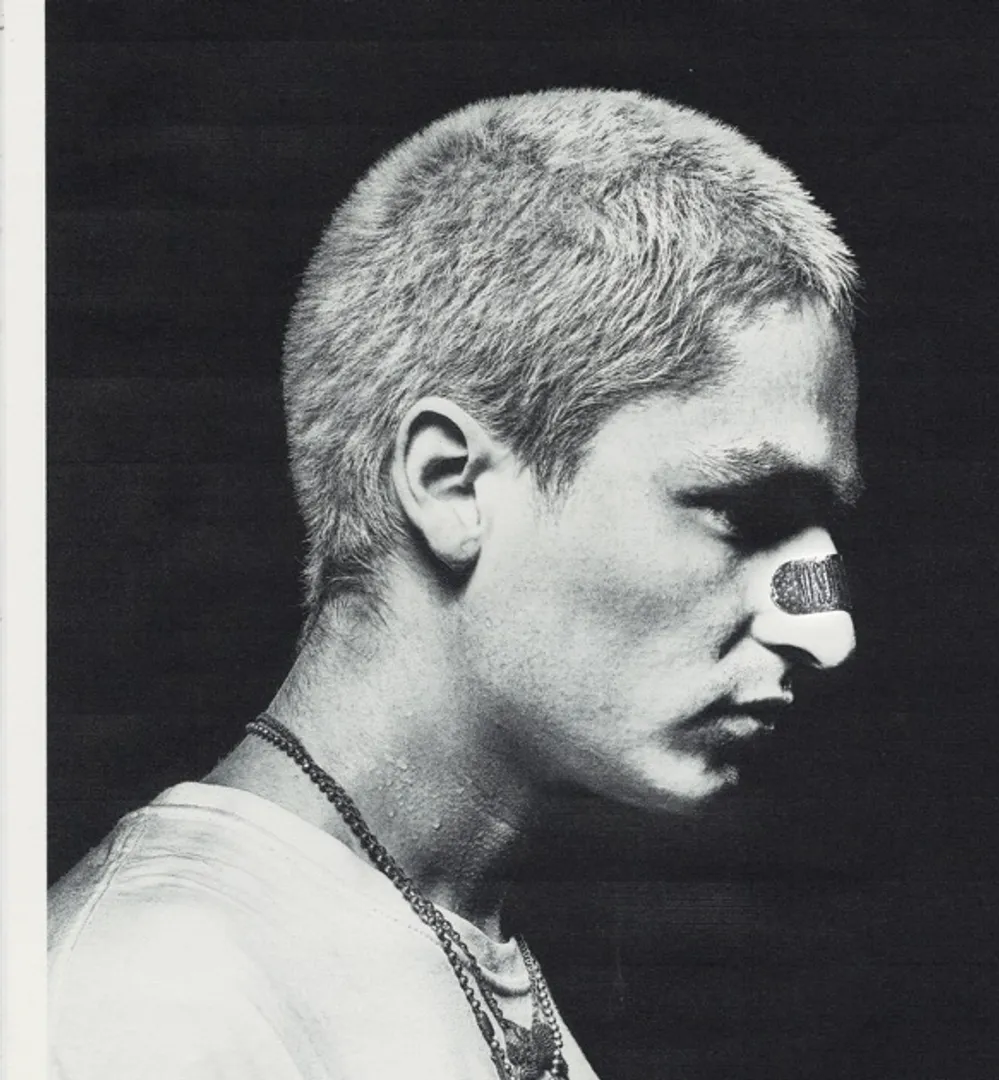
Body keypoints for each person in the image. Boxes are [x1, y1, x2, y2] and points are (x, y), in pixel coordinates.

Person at [48, 88, 862, 1080]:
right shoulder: (144, 1003)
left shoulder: (447, 933)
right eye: (745, 512)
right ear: (452, 486)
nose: (827, 630)